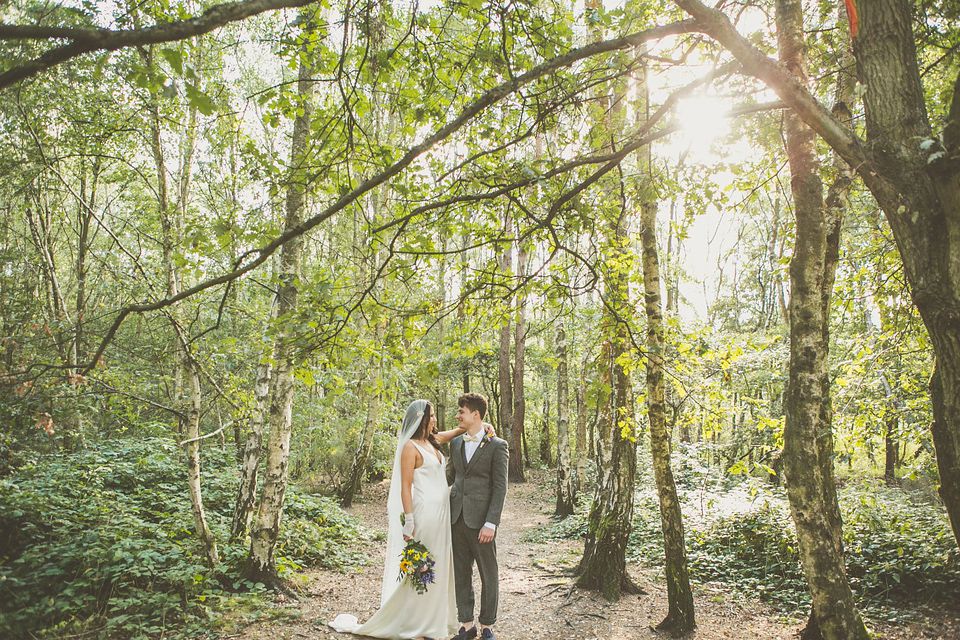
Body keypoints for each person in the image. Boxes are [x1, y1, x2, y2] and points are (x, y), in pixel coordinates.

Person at [330, 399, 488, 640]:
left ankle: (433, 620)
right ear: (421, 419)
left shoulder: (433, 441)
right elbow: (405, 487)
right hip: (424, 513)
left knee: (440, 565)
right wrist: (410, 520)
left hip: (443, 514)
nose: (435, 419)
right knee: (423, 567)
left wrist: (484, 426)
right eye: (432, 416)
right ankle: (415, 624)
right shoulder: (410, 447)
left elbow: (458, 430)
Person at [446, 393, 508, 640]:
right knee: (461, 572)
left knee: (488, 572)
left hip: (482, 521)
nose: (457, 416)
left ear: (475, 414)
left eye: (461, 411)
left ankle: (487, 626)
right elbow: (449, 477)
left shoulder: (497, 446)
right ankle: (466, 624)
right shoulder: (456, 443)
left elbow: (500, 487)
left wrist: (491, 522)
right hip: (456, 517)